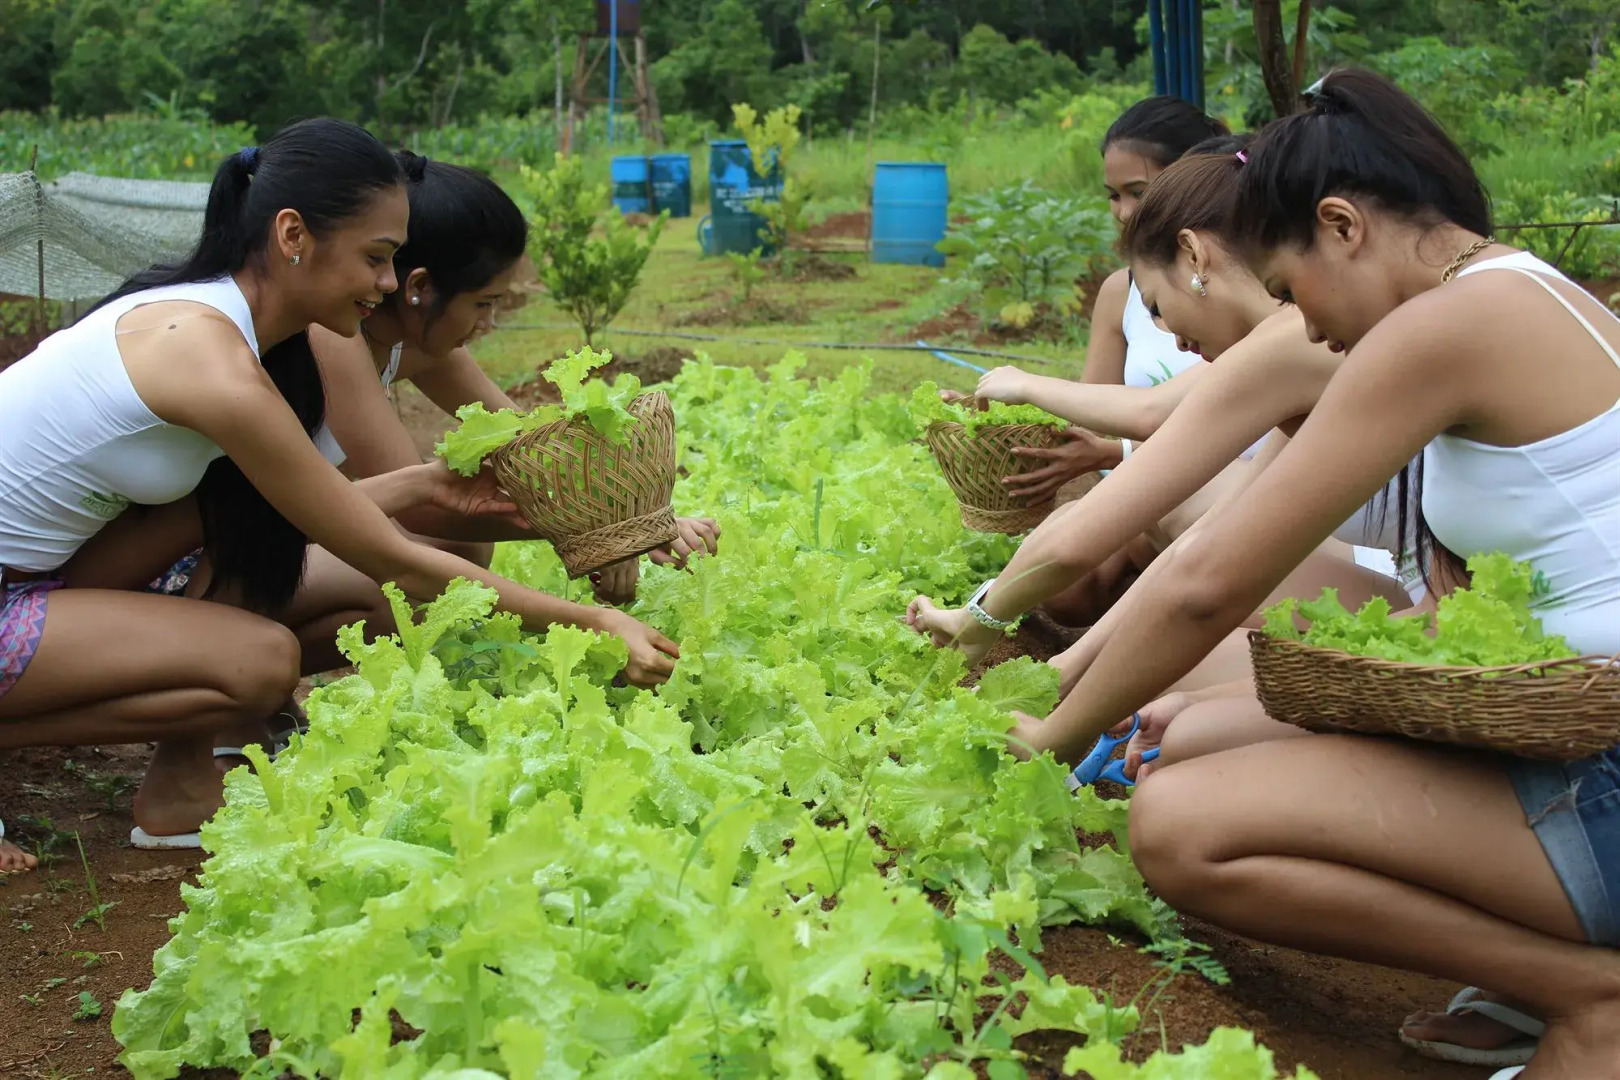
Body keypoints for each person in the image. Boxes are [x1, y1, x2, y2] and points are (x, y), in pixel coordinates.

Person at [1012, 69, 1620, 1078]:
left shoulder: (1442, 330)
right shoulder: (1546, 293)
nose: (1307, 327)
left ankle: (1587, 998)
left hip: (1597, 774)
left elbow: (1210, 579)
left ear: (1341, 225)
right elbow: (1460, 632)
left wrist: (1046, 732)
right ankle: (1547, 981)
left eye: (1291, 289)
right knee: (1198, 738)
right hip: (1578, 734)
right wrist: (1255, 714)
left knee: (1179, 825)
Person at [0, 119, 679, 849]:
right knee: (256, 663)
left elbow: (285, 519)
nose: (389, 283)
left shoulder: (242, 333)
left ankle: (185, 781)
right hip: (24, 590)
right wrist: (596, 622)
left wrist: (431, 490)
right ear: (293, 236)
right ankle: (195, 751)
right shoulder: (211, 363)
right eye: (377, 258)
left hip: (55, 572)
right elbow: (397, 557)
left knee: (298, 573)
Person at [908, 141, 1413, 694]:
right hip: (1406, 589)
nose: (1170, 335)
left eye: (1154, 304)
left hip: (1420, 606)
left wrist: (982, 622)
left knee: (1165, 671)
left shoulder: (1293, 341)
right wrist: (1052, 667)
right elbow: (1200, 544)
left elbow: (1138, 459)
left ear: (1194, 257)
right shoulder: (1296, 334)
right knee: (1173, 608)